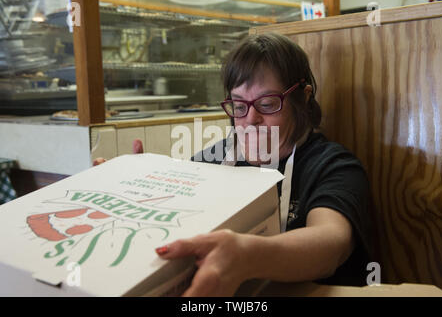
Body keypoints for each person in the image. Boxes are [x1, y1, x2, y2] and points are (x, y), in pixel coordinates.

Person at [95, 33, 373, 297]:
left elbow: (330, 242)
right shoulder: (215, 160)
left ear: (304, 96)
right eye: (239, 107)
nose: (250, 119)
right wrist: (128, 191)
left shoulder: (333, 166)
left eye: (267, 103)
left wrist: (247, 257)